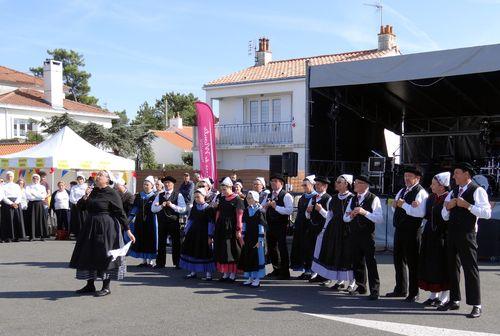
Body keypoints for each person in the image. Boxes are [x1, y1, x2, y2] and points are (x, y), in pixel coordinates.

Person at [69, 171, 135, 297]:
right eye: (97, 175)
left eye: (100, 175)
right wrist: (85, 196)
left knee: (105, 255)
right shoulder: (92, 191)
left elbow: (120, 212)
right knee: (89, 253)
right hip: (90, 226)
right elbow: (80, 207)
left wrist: (128, 230)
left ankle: (106, 287)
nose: (97, 177)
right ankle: (90, 284)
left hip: (106, 226)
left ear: (107, 179)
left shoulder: (112, 193)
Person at [439, 162, 491, 318]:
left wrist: (468, 206)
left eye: (457, 173)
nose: (454, 176)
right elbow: (444, 214)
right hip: (452, 233)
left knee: (470, 268)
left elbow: (487, 213)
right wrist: (448, 207)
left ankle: (476, 304)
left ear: (466, 174)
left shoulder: (478, 190)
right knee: (452, 267)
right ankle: (454, 299)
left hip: (468, 234)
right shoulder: (454, 191)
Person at [387, 166, 428, 302]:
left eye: (409, 176)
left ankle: (414, 292)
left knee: (412, 261)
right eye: (405, 176)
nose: (406, 179)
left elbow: (420, 213)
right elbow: (397, 207)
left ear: (417, 178)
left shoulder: (421, 192)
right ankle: (400, 288)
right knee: (398, 259)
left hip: (412, 231)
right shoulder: (402, 190)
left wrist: (404, 205)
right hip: (400, 229)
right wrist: (396, 206)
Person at [312, 174, 355, 291]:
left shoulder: (352, 198)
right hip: (334, 230)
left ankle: (352, 282)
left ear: (346, 184)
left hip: (347, 230)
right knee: (337, 254)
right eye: (336, 181)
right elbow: (329, 216)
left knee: (348, 255)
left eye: (339, 182)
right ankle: (340, 280)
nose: (336, 184)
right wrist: (324, 230)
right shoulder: (334, 198)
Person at [343, 175, 383, 300]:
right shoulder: (353, 199)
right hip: (354, 234)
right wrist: (352, 215)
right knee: (357, 261)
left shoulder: (373, 198)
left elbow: (379, 218)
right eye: (355, 182)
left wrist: (364, 212)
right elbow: (345, 217)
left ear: (365, 185)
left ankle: (375, 290)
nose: (354, 184)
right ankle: (361, 286)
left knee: (371, 262)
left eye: (358, 183)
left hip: (367, 235)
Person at [418, 172, 451, 307]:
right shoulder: (431, 197)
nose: (431, 186)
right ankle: (433, 295)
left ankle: (444, 295)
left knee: (442, 265)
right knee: (430, 264)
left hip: (442, 235)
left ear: (442, 186)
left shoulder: (448, 198)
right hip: (429, 235)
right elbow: (425, 214)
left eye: (433, 184)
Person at [179, 188, 216, 280]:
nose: (196, 199)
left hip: (204, 234)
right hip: (193, 233)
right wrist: (185, 232)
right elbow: (190, 221)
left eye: (198, 197)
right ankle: (193, 272)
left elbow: (211, 223)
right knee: (192, 251)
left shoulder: (209, 208)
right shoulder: (194, 208)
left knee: (205, 253)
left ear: (204, 197)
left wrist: (210, 236)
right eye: (195, 197)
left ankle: (208, 274)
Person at [263, 174, 294, 280]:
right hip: (270, 224)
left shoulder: (286, 195)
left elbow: (289, 210)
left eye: (275, 181)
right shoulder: (269, 195)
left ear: (281, 183)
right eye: (271, 181)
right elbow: (262, 208)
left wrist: (276, 207)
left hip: (281, 225)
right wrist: (265, 206)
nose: (272, 183)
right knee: (272, 248)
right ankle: (276, 269)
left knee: (282, 248)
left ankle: (285, 272)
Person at [151, 176, 186, 269]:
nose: (167, 184)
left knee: (176, 243)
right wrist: (161, 206)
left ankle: (178, 263)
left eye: (169, 183)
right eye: (165, 183)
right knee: (161, 242)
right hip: (162, 222)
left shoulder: (178, 195)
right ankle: (160, 263)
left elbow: (183, 209)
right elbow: (153, 209)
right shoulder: (160, 195)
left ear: (173, 184)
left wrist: (172, 205)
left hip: (173, 222)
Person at [214, 177, 244, 282]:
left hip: (231, 228)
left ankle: (232, 274)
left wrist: (238, 229)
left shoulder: (237, 199)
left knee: (231, 250)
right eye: (222, 189)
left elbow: (239, 215)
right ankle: (225, 273)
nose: (223, 191)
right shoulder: (221, 198)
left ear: (230, 187)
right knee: (223, 250)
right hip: (222, 227)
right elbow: (218, 213)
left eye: (224, 189)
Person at [304, 176, 332, 282]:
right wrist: (308, 211)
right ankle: (314, 272)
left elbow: (329, 216)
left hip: (322, 228)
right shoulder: (313, 198)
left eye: (319, 184)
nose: (316, 186)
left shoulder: (328, 198)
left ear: (325, 186)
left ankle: (323, 274)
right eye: (316, 184)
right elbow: (307, 216)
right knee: (312, 250)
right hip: (312, 227)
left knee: (322, 251)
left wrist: (320, 210)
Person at [238, 191, 267, 288]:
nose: (248, 200)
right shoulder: (247, 210)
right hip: (248, 237)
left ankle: (257, 279)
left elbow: (261, 226)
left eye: (250, 198)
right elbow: (244, 224)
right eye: (247, 198)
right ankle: (249, 277)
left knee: (257, 257)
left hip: (257, 237)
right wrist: (243, 236)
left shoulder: (260, 211)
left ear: (256, 199)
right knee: (248, 256)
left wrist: (260, 239)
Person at [128, 176, 158, 267]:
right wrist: (128, 219)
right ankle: (144, 260)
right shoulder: (139, 196)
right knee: (141, 239)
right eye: (144, 184)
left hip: (151, 221)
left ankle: (151, 261)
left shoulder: (155, 196)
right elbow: (135, 208)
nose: (145, 186)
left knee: (150, 239)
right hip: (140, 221)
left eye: (147, 184)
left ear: (152, 186)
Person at [290, 175, 317, 274]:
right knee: (301, 248)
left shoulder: (315, 197)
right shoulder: (302, 197)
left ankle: (310, 271)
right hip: (301, 226)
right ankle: (305, 270)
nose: (304, 187)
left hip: (309, 227)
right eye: (303, 185)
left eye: (305, 185)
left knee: (309, 248)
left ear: (311, 185)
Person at [1, 171, 26, 243]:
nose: (9, 177)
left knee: (17, 220)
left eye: (11, 176)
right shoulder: (3, 185)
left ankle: (17, 236)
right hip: (7, 204)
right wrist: (11, 203)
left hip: (16, 204)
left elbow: (19, 195)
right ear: (6, 177)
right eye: (8, 176)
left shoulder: (17, 186)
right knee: (8, 221)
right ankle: (8, 237)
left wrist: (16, 202)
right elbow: (3, 196)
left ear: (13, 177)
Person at [25, 174, 48, 241]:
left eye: (37, 178)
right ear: (32, 179)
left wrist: (34, 194)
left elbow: (43, 196)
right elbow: (28, 196)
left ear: (39, 179)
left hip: (40, 204)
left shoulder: (42, 187)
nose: (35, 180)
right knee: (31, 220)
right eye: (34, 178)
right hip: (31, 204)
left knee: (40, 220)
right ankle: (31, 236)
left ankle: (42, 235)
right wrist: (38, 195)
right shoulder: (28, 187)